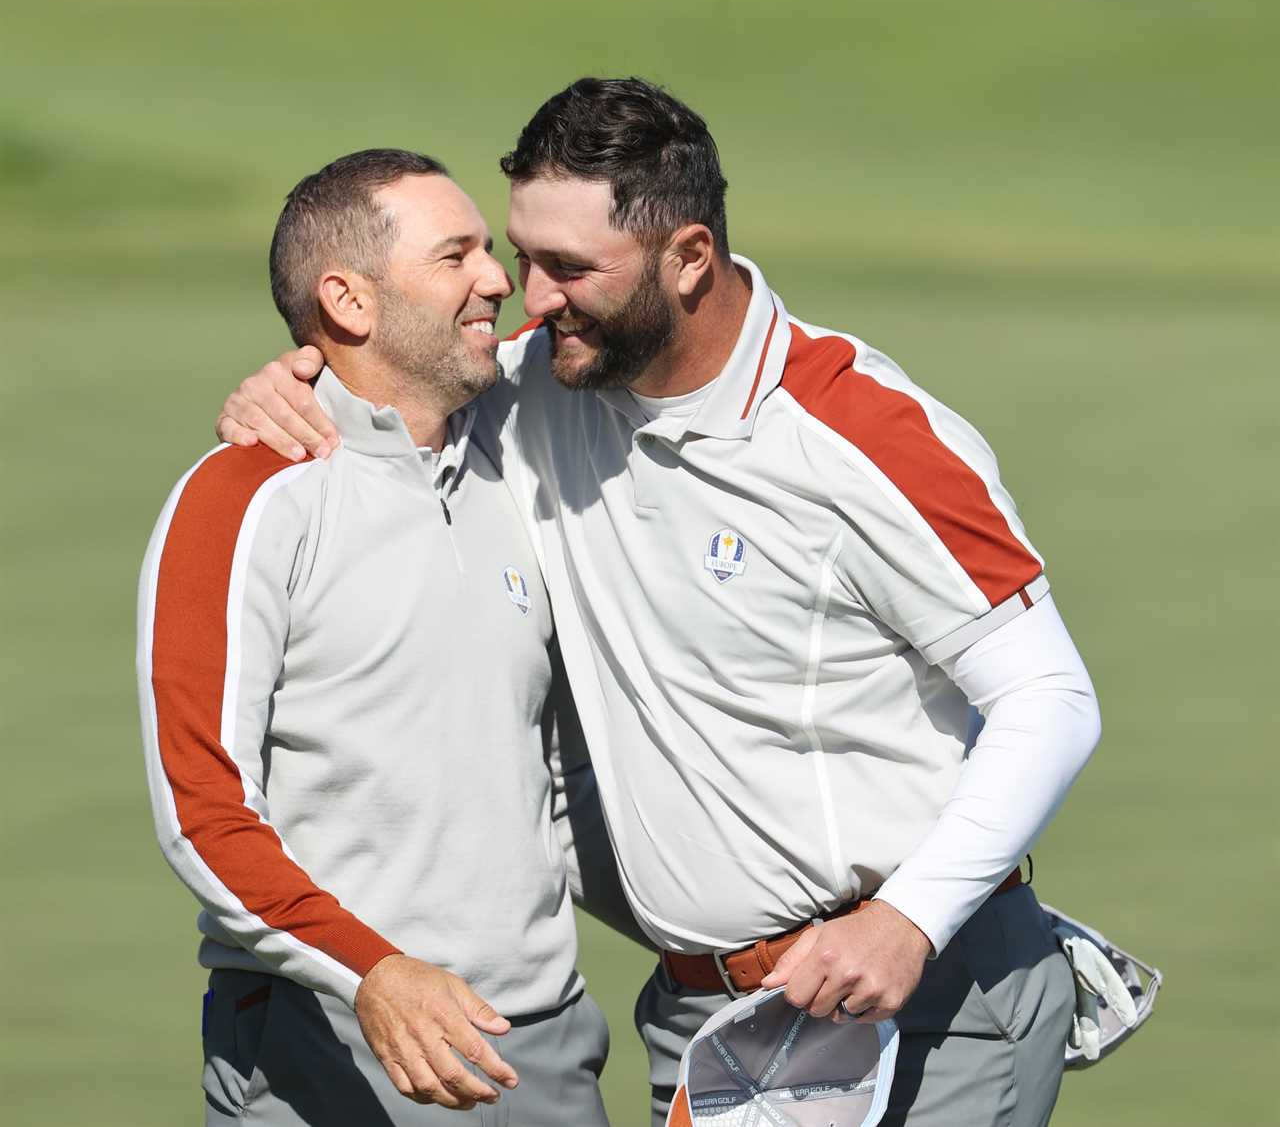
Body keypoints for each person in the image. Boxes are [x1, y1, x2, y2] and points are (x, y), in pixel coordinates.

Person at [217, 79, 1102, 1127]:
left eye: (568, 268)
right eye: (519, 252)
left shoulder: (863, 433)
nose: (525, 294)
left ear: (686, 257)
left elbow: (1049, 695)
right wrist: (291, 384)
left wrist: (907, 918)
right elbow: (395, 382)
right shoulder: (539, 389)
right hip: (706, 1022)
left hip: (919, 998)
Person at [138, 148, 619, 1126]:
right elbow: (205, 811)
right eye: (457, 255)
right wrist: (372, 971)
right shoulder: (242, 499)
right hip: (335, 1046)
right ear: (348, 302)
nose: (497, 279)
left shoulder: (521, 445)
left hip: (543, 1052)